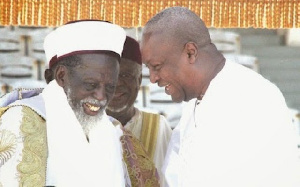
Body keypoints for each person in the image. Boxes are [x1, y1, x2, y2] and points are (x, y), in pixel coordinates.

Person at [140, 6, 300, 187]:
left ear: (190, 53)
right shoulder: (193, 106)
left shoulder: (254, 97)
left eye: (157, 66)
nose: (153, 79)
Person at [0, 20, 159, 187]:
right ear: (61, 76)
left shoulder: (118, 134)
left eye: (110, 86)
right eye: (91, 85)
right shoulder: (21, 121)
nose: (101, 97)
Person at [106, 36, 172, 185]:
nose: (117, 83)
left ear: (139, 79)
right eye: (110, 75)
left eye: (126, 75)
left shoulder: (158, 127)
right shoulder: (82, 128)